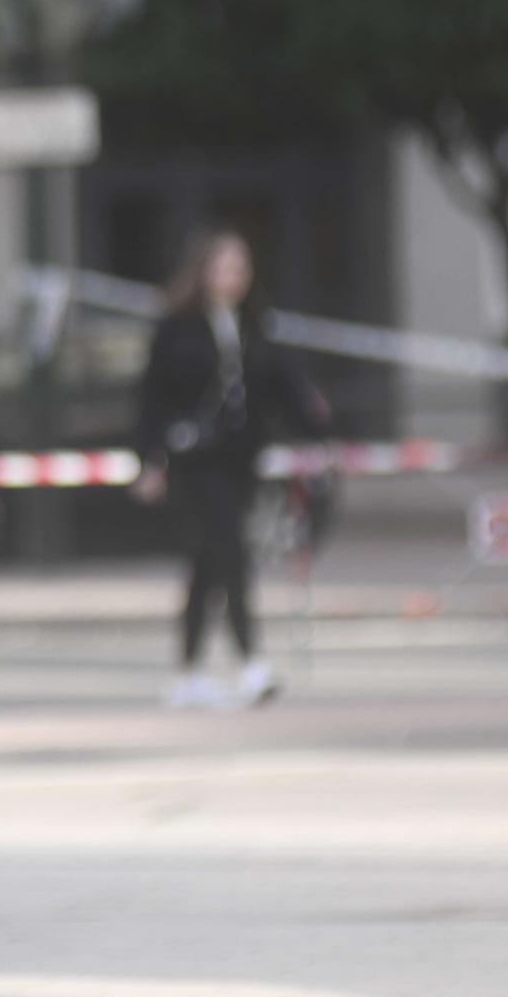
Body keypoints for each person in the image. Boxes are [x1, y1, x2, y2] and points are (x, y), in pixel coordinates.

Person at [132, 229, 328, 709]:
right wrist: (148, 460)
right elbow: (151, 398)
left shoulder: (255, 327)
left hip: (238, 462)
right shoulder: (177, 327)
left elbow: (285, 389)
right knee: (232, 554)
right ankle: (250, 662)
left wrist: (317, 430)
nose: (233, 276)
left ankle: (187, 671)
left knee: (206, 565)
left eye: (241, 267)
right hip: (195, 464)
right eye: (223, 266)